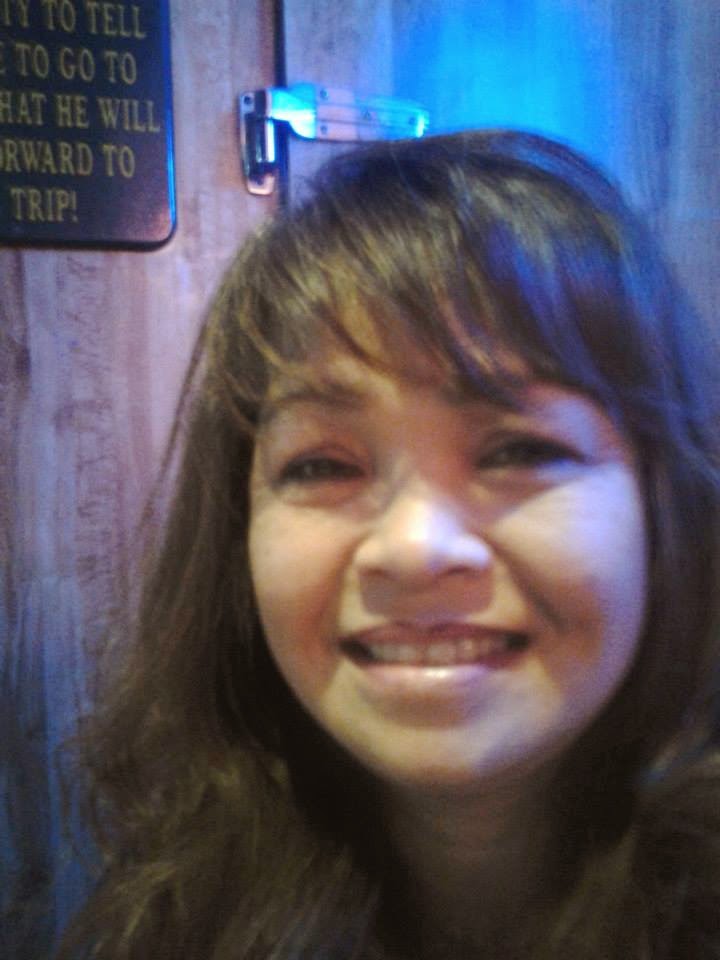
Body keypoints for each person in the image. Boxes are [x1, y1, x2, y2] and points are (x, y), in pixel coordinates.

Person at [60, 130, 720, 959]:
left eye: (520, 450)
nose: (413, 550)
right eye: (323, 465)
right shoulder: (175, 921)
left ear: (664, 510)